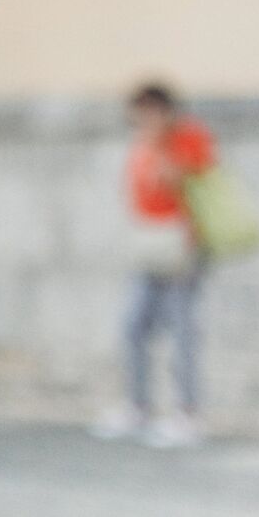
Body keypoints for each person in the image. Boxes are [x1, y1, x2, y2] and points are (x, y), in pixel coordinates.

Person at [90, 82, 216, 449]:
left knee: (182, 331)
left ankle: (187, 413)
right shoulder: (141, 142)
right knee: (132, 325)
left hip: (184, 247)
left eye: (149, 110)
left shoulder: (188, 138)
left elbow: (183, 181)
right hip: (149, 248)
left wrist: (161, 144)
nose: (143, 119)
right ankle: (137, 405)